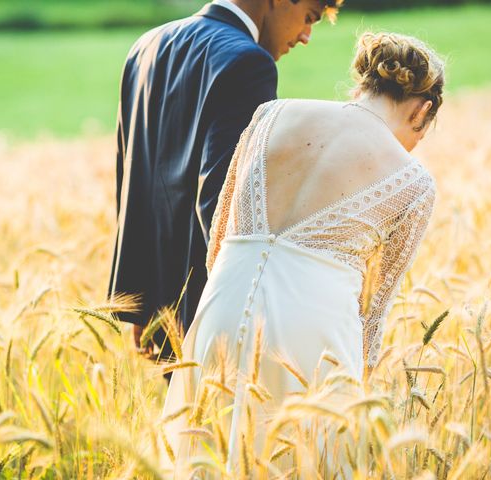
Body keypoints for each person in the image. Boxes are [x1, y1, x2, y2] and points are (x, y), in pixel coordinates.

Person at [158, 31, 445, 477]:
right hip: (315, 332)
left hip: (223, 308)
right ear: (423, 110)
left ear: (363, 84)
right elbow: (373, 307)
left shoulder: (270, 115)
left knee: (206, 456)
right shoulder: (414, 182)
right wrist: (360, 393)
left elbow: (219, 236)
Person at [107, 0, 344, 378]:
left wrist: (141, 300)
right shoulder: (249, 62)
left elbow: (133, 175)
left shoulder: (147, 46)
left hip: (161, 313)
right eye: (309, 18)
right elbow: (226, 201)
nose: (305, 36)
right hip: (213, 317)